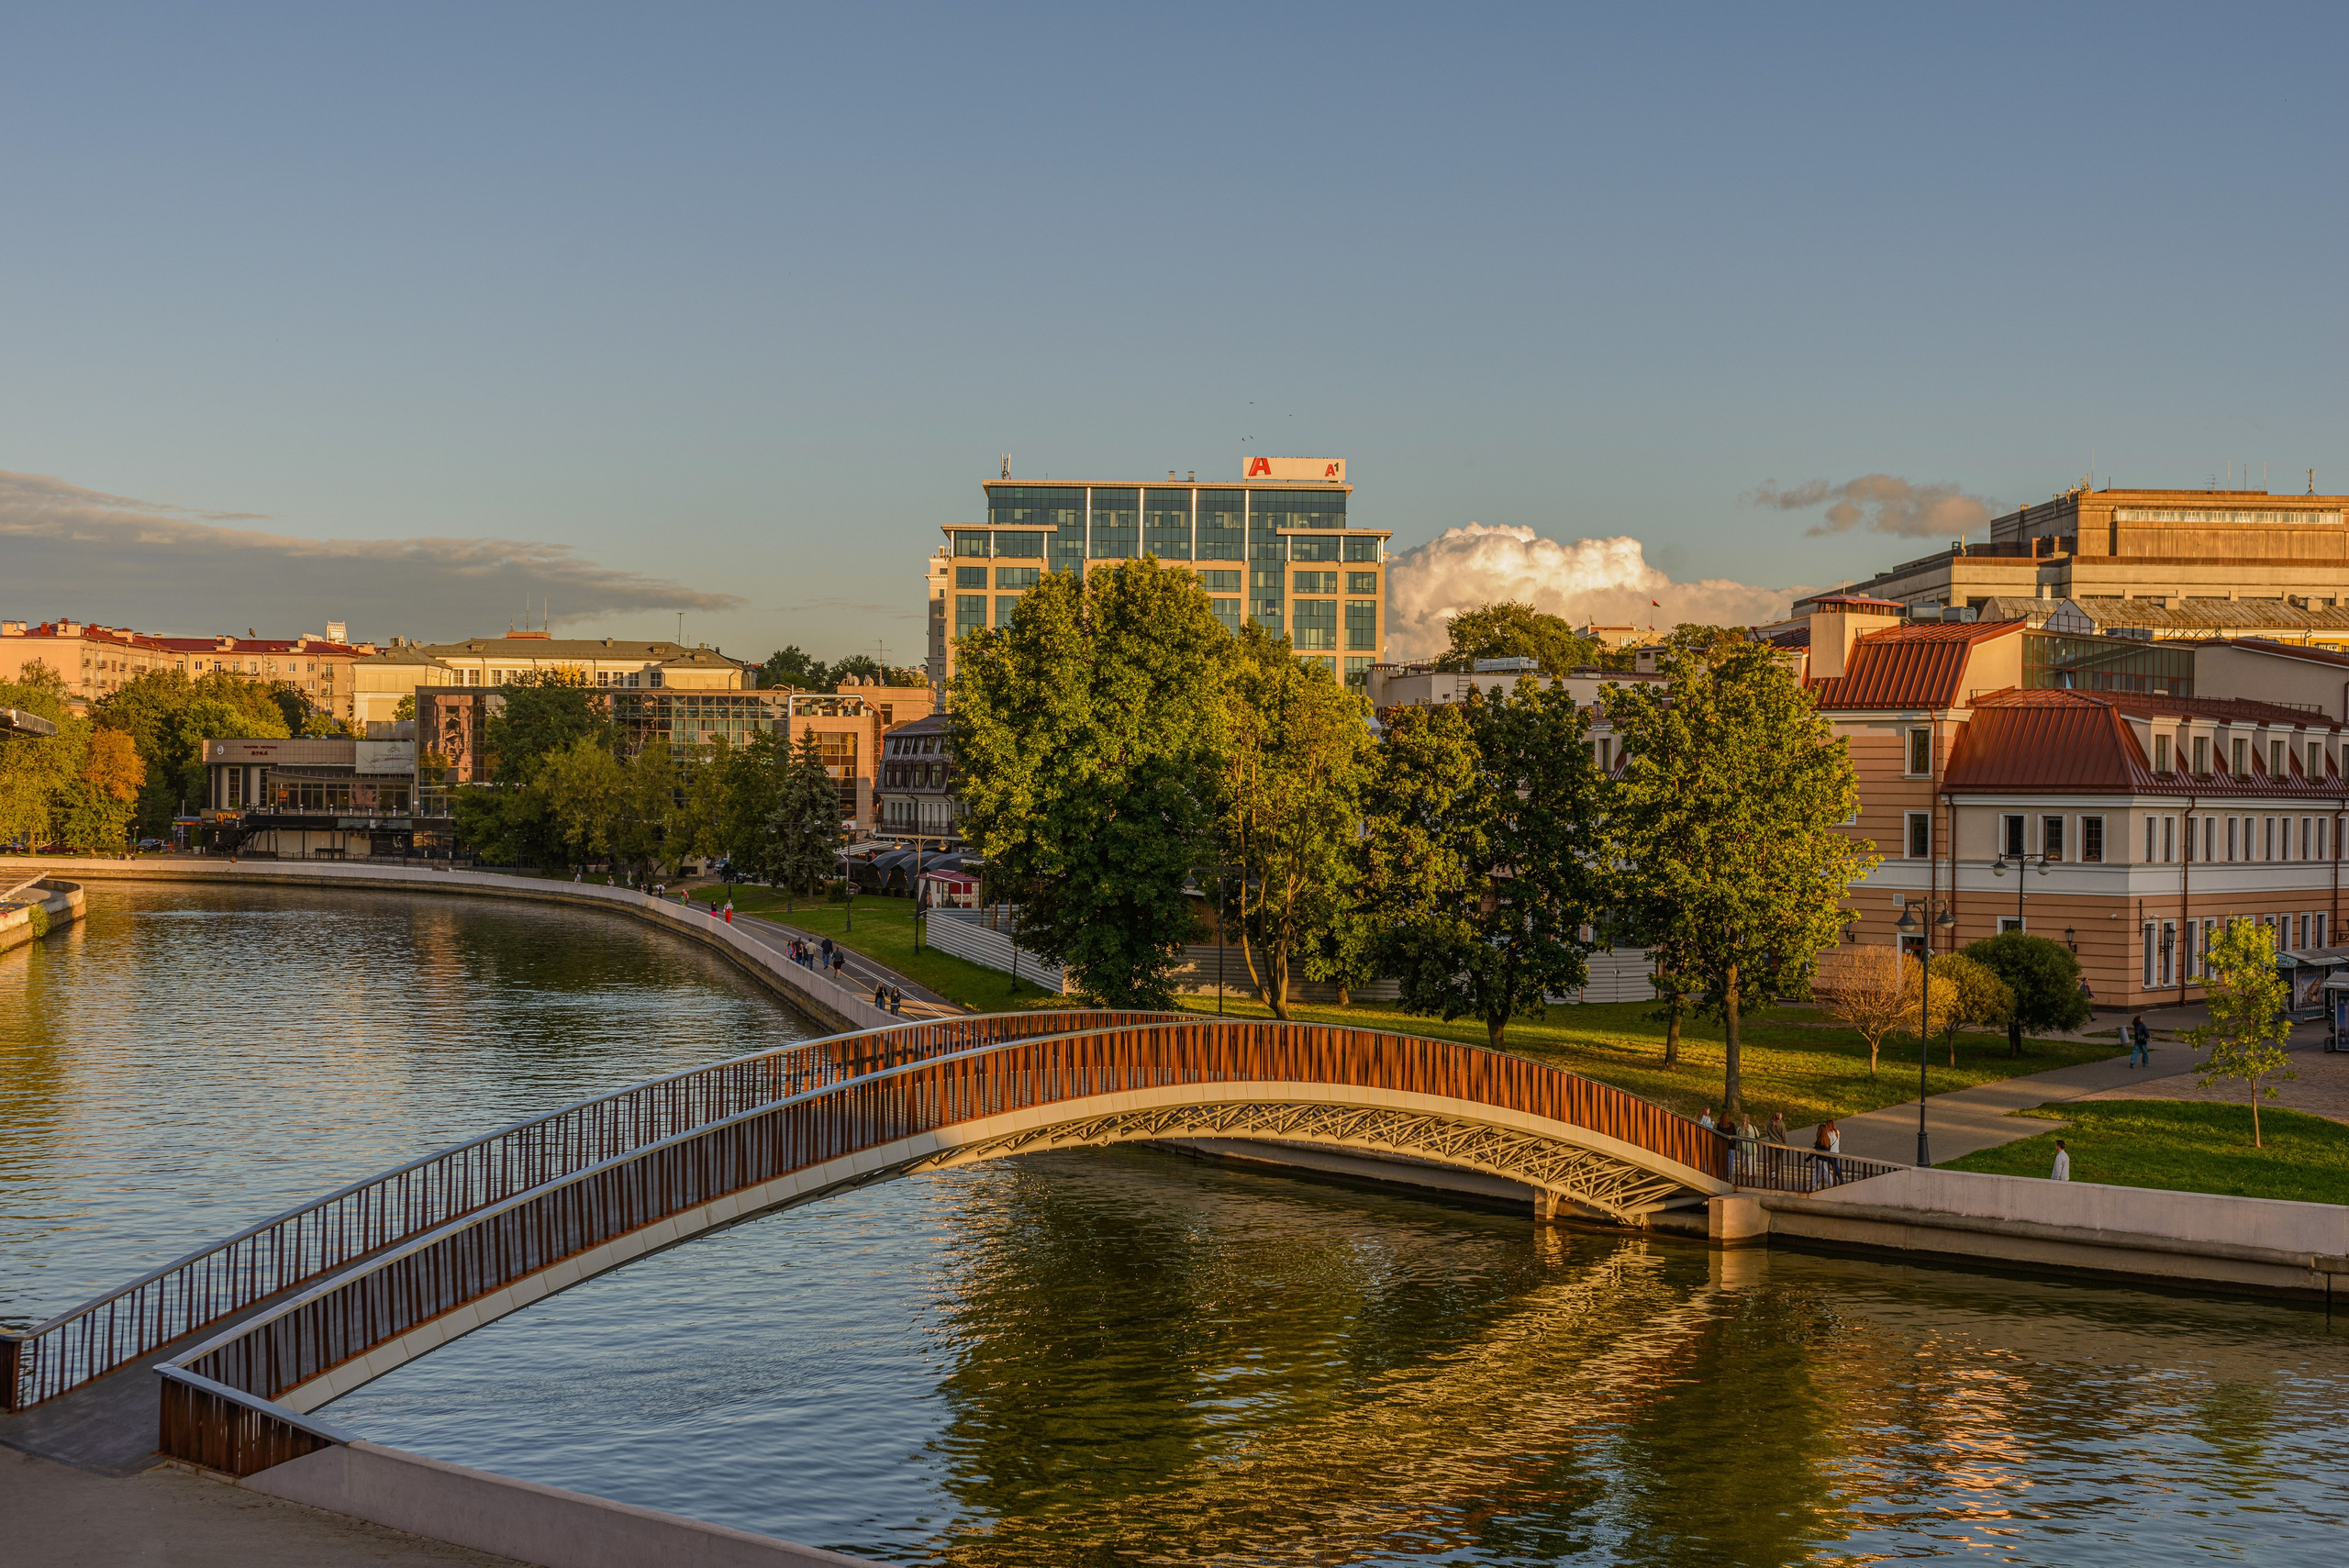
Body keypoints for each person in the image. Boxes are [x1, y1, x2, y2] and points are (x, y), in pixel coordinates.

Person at [1813, 1120, 1840, 1188]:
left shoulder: (1824, 1137)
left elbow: (1816, 1149)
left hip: (1823, 1158)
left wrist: (1808, 1158)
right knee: (1818, 1172)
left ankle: (1832, 1184)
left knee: (1825, 1172)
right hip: (1834, 1153)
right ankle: (1814, 1184)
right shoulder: (1836, 1132)